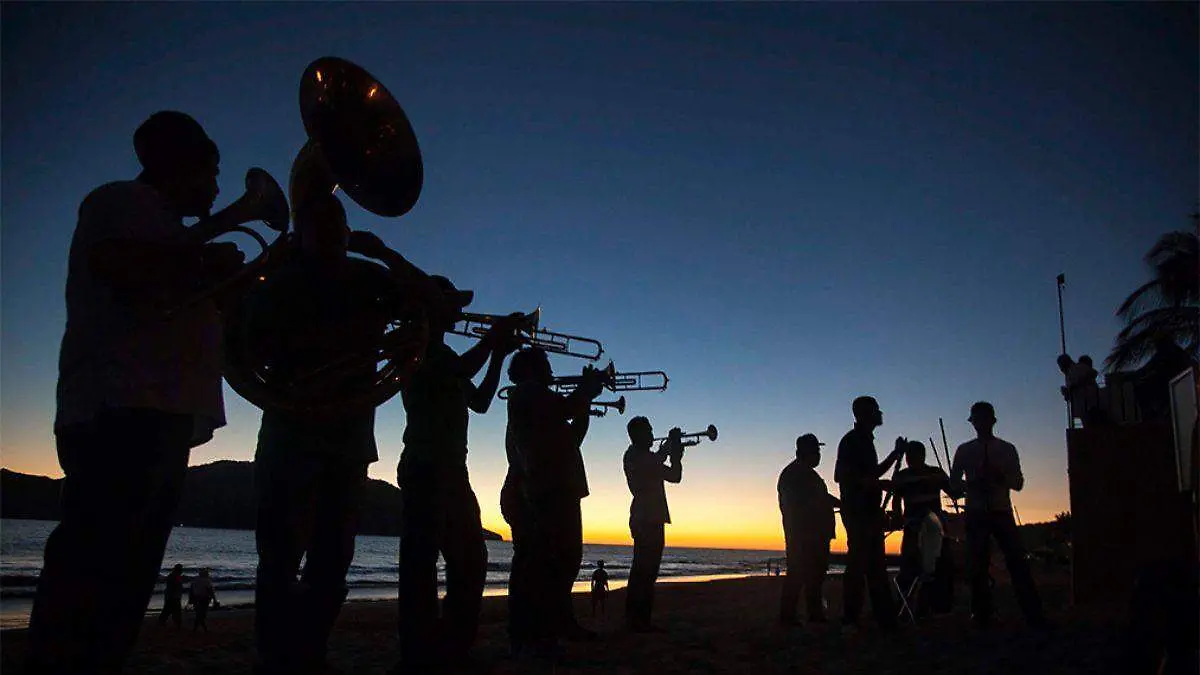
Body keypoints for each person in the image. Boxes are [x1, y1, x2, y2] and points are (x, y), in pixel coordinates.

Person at [27, 111, 244, 674]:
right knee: (98, 562)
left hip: (156, 411)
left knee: (130, 568)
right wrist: (203, 260)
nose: (219, 189)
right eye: (212, 172)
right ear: (181, 163)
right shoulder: (121, 201)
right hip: (119, 405)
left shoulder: (167, 225)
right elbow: (118, 267)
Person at [248, 193, 433, 675]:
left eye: (341, 225)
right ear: (300, 233)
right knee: (280, 557)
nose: (335, 234)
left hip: (349, 437)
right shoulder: (280, 281)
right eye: (322, 225)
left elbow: (433, 299)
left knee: (333, 559)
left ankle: (310, 653)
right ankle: (275, 657)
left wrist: (385, 254)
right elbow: (245, 344)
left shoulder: (367, 276)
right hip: (291, 428)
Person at [394, 278, 521, 670]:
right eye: (450, 304)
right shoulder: (416, 347)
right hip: (426, 465)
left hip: (452, 468)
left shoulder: (447, 354)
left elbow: (481, 401)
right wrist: (494, 340)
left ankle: (453, 644)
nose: (458, 313)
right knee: (421, 565)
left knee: (470, 559)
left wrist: (499, 355)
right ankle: (420, 651)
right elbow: (464, 368)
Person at [502, 348, 606, 658]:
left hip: (558, 487)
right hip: (544, 488)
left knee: (564, 560)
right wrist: (587, 389)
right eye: (546, 365)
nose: (551, 371)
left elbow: (574, 436)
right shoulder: (528, 393)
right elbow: (567, 408)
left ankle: (555, 625)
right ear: (533, 369)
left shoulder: (543, 404)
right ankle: (533, 636)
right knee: (544, 564)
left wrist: (585, 402)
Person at [950, 401, 1046, 628]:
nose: (979, 424)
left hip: (1000, 511)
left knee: (1016, 562)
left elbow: (1018, 483)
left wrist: (1000, 477)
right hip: (976, 512)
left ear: (992, 421)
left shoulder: (1006, 449)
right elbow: (954, 485)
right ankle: (983, 613)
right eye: (977, 420)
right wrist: (972, 484)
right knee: (978, 565)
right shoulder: (964, 450)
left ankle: (1032, 612)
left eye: (982, 419)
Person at [834, 396, 905, 631]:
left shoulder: (864, 440)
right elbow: (842, 476)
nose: (880, 413)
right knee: (859, 563)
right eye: (876, 410)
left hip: (868, 512)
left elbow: (871, 473)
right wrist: (878, 485)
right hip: (858, 513)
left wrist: (895, 455)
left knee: (874, 563)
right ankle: (852, 617)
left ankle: (882, 615)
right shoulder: (852, 441)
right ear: (866, 414)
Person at [622, 417, 684, 632]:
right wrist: (669, 449)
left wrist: (676, 456)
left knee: (648, 572)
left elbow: (675, 476)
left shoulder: (648, 457)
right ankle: (635, 621)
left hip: (654, 517)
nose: (651, 434)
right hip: (644, 517)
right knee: (642, 571)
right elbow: (652, 464)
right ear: (637, 435)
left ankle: (642, 621)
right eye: (647, 431)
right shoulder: (634, 456)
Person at [778, 433, 839, 626]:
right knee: (798, 574)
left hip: (815, 535)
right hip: (804, 536)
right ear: (802, 452)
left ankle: (814, 615)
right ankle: (788, 617)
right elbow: (797, 505)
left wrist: (841, 504)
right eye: (815, 451)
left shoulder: (808, 474)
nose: (818, 455)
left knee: (815, 576)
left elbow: (823, 497)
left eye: (818, 451)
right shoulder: (794, 474)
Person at [891, 441, 953, 614]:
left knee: (936, 567)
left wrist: (957, 485)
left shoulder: (936, 473)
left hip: (934, 528)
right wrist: (897, 515)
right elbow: (896, 499)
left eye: (913, 455)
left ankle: (931, 606)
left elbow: (953, 491)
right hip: (913, 527)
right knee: (910, 568)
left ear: (922, 455)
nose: (910, 459)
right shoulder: (903, 476)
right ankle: (904, 605)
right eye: (908, 456)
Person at [189, 568, 217, 633]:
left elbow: (191, 591)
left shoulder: (195, 580)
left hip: (196, 598)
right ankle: (201, 629)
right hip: (204, 599)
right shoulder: (207, 581)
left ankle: (201, 629)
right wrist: (214, 600)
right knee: (202, 615)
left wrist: (190, 599)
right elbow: (210, 591)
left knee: (198, 614)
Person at [159, 564, 186, 629]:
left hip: (170, 595)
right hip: (174, 596)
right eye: (181, 569)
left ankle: (162, 622)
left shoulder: (172, 575)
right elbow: (176, 586)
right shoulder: (175, 576)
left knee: (167, 609)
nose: (181, 571)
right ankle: (177, 623)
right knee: (175, 610)